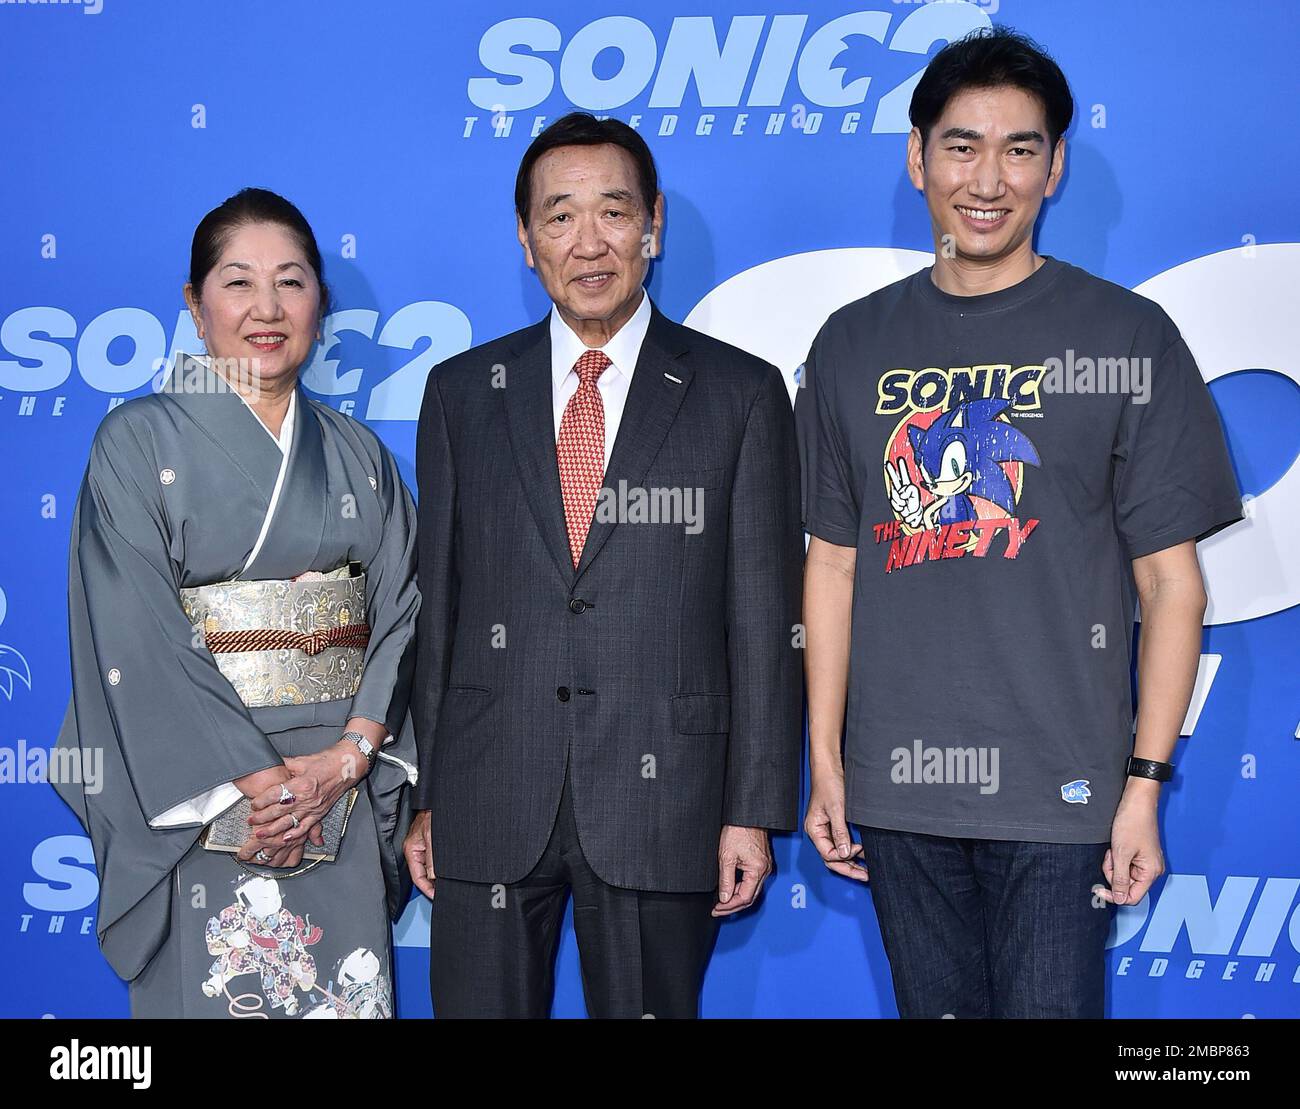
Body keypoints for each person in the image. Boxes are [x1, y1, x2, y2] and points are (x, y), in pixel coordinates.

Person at [797, 28, 1241, 1018]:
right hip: (896, 793)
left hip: (1062, 793)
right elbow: (831, 565)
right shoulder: (850, 342)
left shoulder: (1126, 337)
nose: (986, 177)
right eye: (960, 145)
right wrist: (825, 762)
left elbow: (1172, 585)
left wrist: (1143, 785)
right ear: (916, 160)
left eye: (1019, 147)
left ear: (1057, 164)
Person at [406, 112, 803, 1018]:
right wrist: (426, 796)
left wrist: (751, 809)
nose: (589, 243)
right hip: (487, 792)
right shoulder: (464, 393)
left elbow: (764, 617)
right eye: (559, 216)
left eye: (613, 212)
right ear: (525, 237)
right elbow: (443, 611)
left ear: (652, 223)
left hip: (666, 800)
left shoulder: (740, 393)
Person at [53, 188, 420, 1019]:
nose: (266, 308)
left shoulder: (360, 454)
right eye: (237, 282)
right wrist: (259, 787)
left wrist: (347, 762)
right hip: (209, 798)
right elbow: (133, 631)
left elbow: (401, 611)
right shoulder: (137, 442)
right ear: (194, 304)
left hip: (339, 791)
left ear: (320, 303)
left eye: (291, 282)